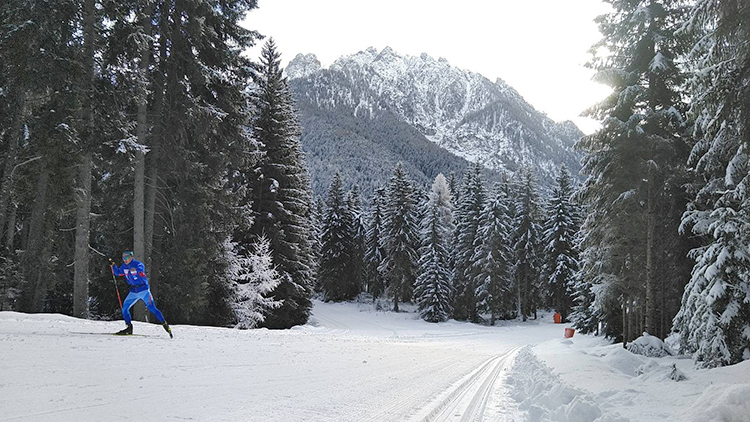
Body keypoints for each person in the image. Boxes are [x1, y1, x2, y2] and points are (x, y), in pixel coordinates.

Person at [110, 250, 172, 338]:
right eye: (123, 258)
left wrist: (135, 270)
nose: (125, 260)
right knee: (125, 308)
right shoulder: (124, 266)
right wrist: (113, 266)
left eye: (127, 257)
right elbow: (118, 272)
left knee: (152, 308)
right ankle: (129, 328)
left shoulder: (137, 264)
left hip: (143, 290)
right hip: (133, 291)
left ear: (131, 257)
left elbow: (140, 269)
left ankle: (165, 325)